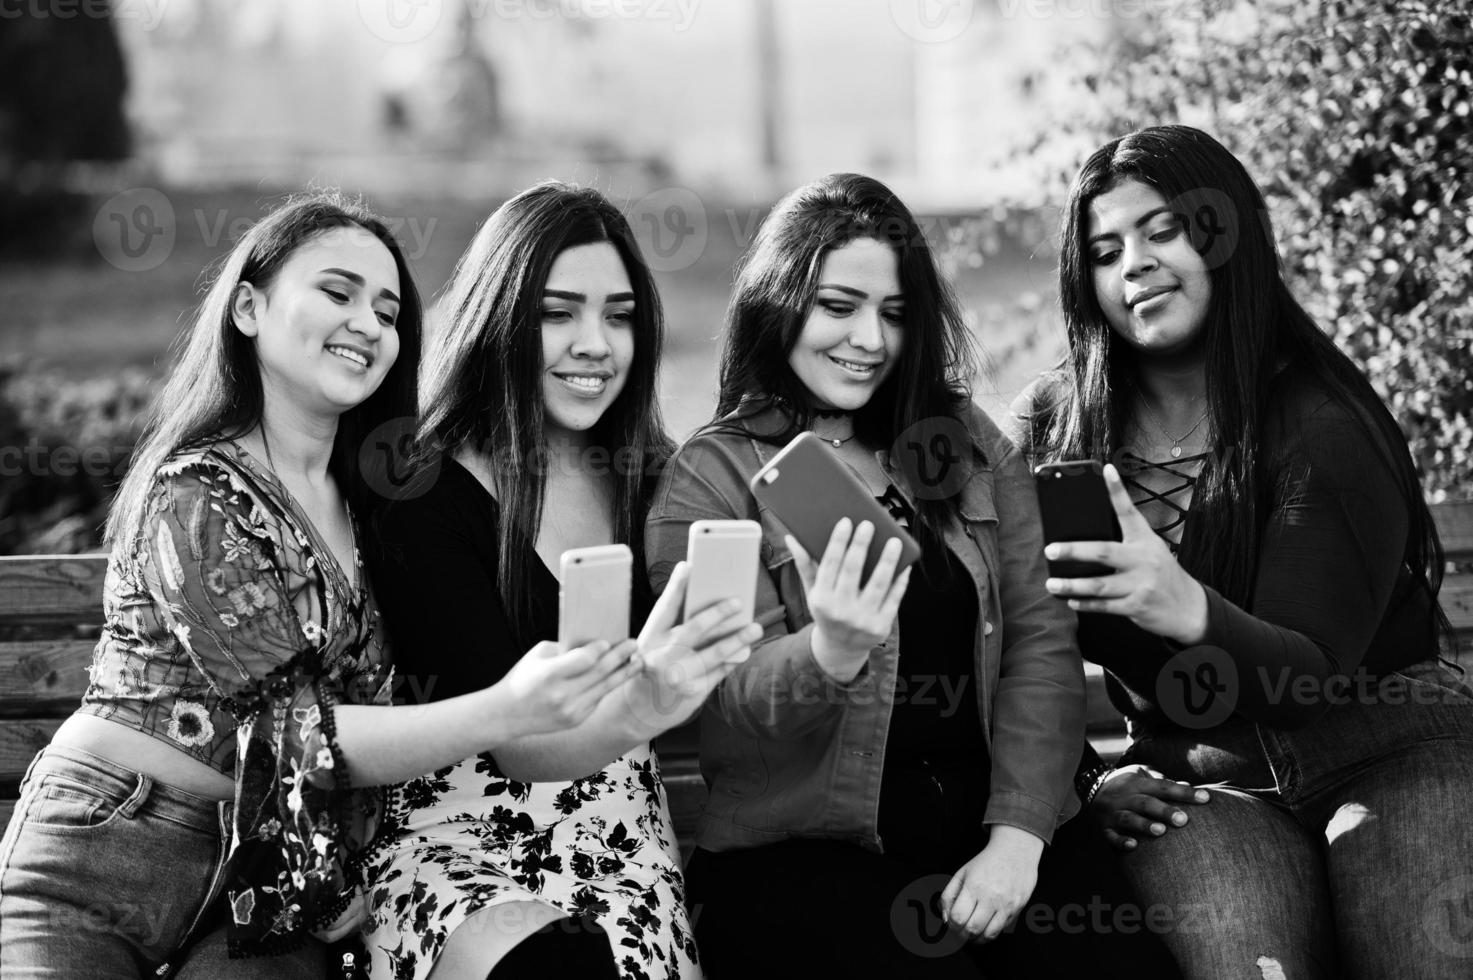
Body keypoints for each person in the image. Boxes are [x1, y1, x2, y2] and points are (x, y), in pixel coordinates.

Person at [0, 192, 644, 979]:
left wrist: (333, 856)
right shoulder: (198, 493)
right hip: (113, 844)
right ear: (248, 308)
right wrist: (507, 707)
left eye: (388, 310)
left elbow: (359, 723)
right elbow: (290, 730)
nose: (369, 324)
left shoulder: (382, 506)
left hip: (266, 887)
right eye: (337, 293)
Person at [644, 172, 1176, 978]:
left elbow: (1039, 643)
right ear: (778, 298)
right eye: (837, 306)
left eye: (893, 313)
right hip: (806, 856)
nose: (868, 339)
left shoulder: (962, 441)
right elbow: (720, 711)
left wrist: (1018, 836)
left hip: (994, 828)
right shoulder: (710, 477)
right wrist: (827, 651)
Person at [1008, 124, 1473, 979]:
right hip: (1199, 781)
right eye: (1105, 251)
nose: (1133, 265)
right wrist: (1083, 783)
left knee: (1426, 953)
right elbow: (997, 633)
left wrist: (1180, 605)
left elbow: (1305, 679)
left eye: (1160, 231)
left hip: (1391, 743)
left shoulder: (1319, 418)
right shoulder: (1053, 432)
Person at [359, 182, 758, 980]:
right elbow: (516, 749)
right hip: (462, 844)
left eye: (617, 317)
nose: (594, 344)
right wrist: (644, 701)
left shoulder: (655, 478)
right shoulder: (423, 489)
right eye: (557, 313)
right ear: (501, 318)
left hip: (619, 838)